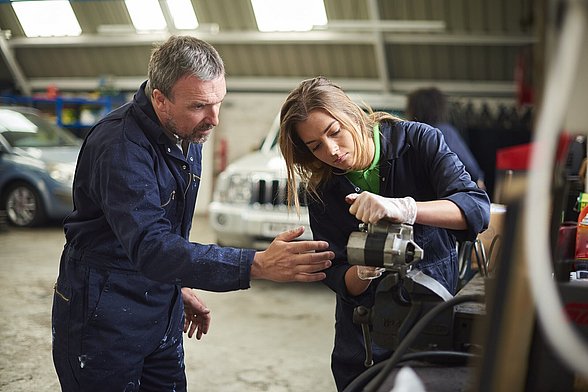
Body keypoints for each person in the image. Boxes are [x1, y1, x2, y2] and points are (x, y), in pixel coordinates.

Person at [51, 36, 334, 392]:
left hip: (159, 304)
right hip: (103, 312)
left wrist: (174, 285)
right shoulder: (120, 147)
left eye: (219, 103)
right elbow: (151, 247)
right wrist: (256, 264)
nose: (213, 119)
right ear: (160, 99)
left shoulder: (185, 132)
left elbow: (164, 234)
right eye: (200, 105)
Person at [278, 77, 490, 391]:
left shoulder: (419, 142)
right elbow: (335, 272)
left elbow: (476, 209)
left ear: (351, 114)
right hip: (364, 335)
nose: (332, 151)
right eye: (315, 146)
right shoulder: (323, 189)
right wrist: (362, 272)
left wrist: (407, 209)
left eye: (334, 132)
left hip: (430, 320)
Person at [405, 87, 487, 190]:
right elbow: (468, 164)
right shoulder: (445, 131)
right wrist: (478, 179)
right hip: (444, 193)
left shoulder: (408, 133)